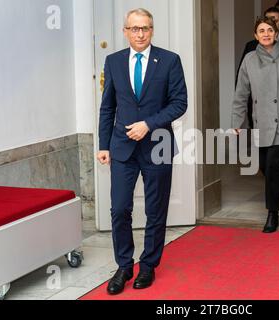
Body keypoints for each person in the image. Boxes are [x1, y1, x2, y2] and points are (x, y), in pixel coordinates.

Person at [97, 8, 187, 294]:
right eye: (134, 28)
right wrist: (103, 145)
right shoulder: (113, 62)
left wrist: (148, 124)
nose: (140, 33)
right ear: (125, 31)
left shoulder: (170, 61)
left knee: (155, 209)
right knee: (120, 208)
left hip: (157, 145)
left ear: (152, 30)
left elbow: (179, 103)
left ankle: (148, 265)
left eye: (145, 28)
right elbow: (107, 107)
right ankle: (124, 266)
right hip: (122, 148)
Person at [232, 17, 279, 233]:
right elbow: (241, 93)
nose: (266, 34)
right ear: (255, 36)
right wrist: (237, 120)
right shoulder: (249, 60)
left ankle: (271, 213)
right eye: (261, 31)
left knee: (274, 166)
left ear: (276, 34)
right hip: (261, 120)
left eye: (269, 30)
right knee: (266, 166)